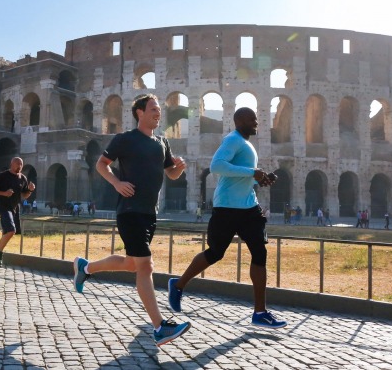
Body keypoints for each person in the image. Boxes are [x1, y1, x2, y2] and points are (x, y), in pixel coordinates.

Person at [72, 93, 191, 346]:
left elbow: (170, 174)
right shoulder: (125, 139)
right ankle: (160, 327)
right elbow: (101, 164)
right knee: (146, 266)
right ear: (139, 112)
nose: (158, 113)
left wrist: (178, 167)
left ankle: (85, 267)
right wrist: (117, 183)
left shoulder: (162, 142)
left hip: (149, 213)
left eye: (159, 110)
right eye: (153, 109)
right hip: (129, 210)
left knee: (131, 264)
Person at [167, 107, 287, 329]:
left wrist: (258, 179)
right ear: (239, 120)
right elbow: (217, 166)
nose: (256, 123)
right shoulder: (233, 140)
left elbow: (240, 175)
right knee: (215, 254)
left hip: (249, 207)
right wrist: (253, 173)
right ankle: (178, 285)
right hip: (227, 208)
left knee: (260, 253)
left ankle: (260, 312)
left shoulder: (247, 144)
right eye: (252, 119)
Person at [0, 157, 36, 268]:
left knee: (7, 233)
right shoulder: (3, 176)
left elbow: (24, 195)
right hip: (4, 207)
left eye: (21, 164)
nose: (19, 166)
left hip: (15, 208)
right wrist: (4, 193)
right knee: (11, 231)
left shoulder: (23, 178)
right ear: (11, 164)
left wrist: (30, 190)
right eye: (17, 164)